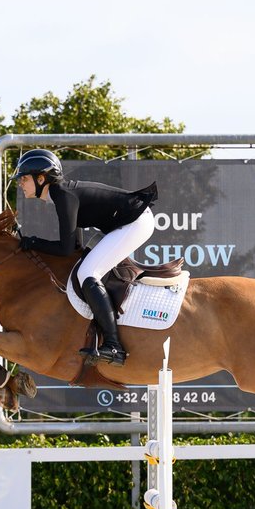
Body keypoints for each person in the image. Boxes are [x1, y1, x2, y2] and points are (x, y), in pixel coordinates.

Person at [13, 148, 158, 367]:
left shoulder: (62, 194)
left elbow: (65, 249)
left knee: (88, 273)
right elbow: (76, 247)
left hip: (135, 222)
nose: (20, 183)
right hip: (128, 222)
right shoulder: (60, 195)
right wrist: (33, 243)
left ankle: (114, 345)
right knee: (84, 267)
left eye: (24, 178)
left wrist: (32, 242)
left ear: (41, 178)